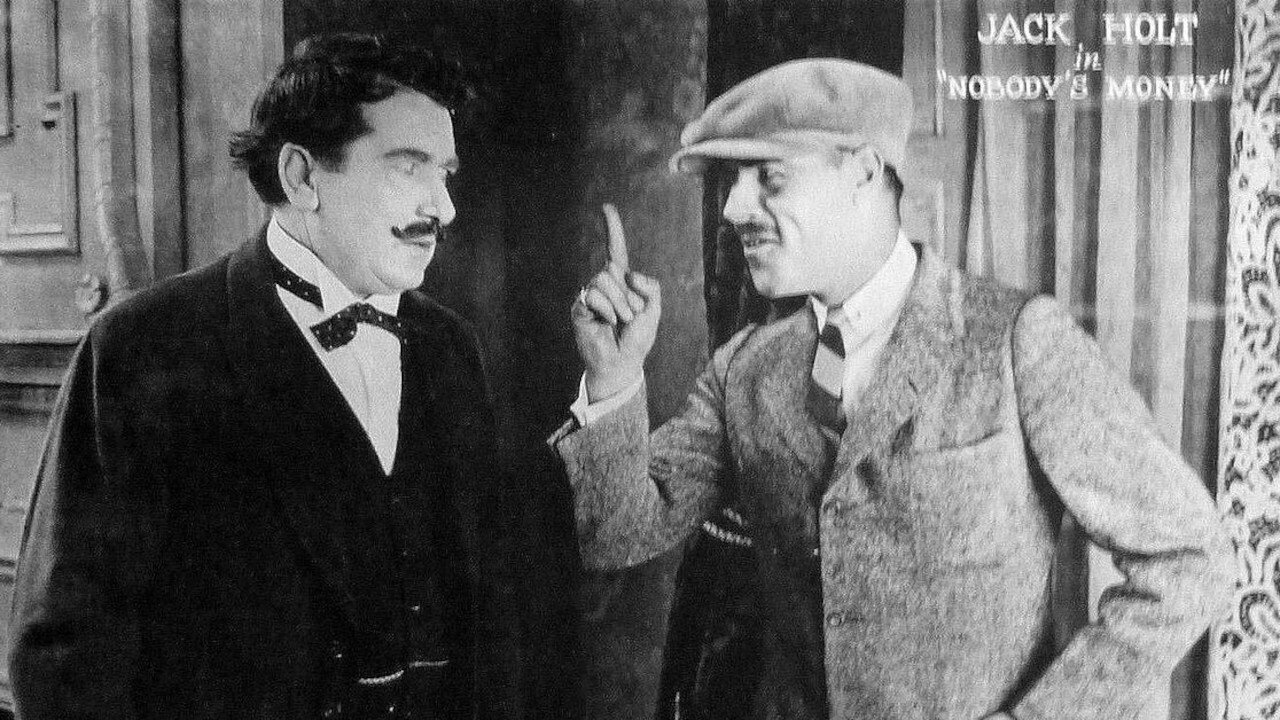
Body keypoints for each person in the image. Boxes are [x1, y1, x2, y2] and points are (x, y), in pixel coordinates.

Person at [553, 58, 1232, 720]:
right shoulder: (746, 369)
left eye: (769, 178)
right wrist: (614, 377)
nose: (733, 208)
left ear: (864, 171)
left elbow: (1188, 559)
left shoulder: (1013, 342)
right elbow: (618, 535)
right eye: (732, 181)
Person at [10, 33, 539, 720]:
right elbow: (64, 658)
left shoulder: (448, 349)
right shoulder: (142, 348)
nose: (444, 208)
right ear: (301, 177)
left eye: (446, 173)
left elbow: (491, 627)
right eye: (409, 168)